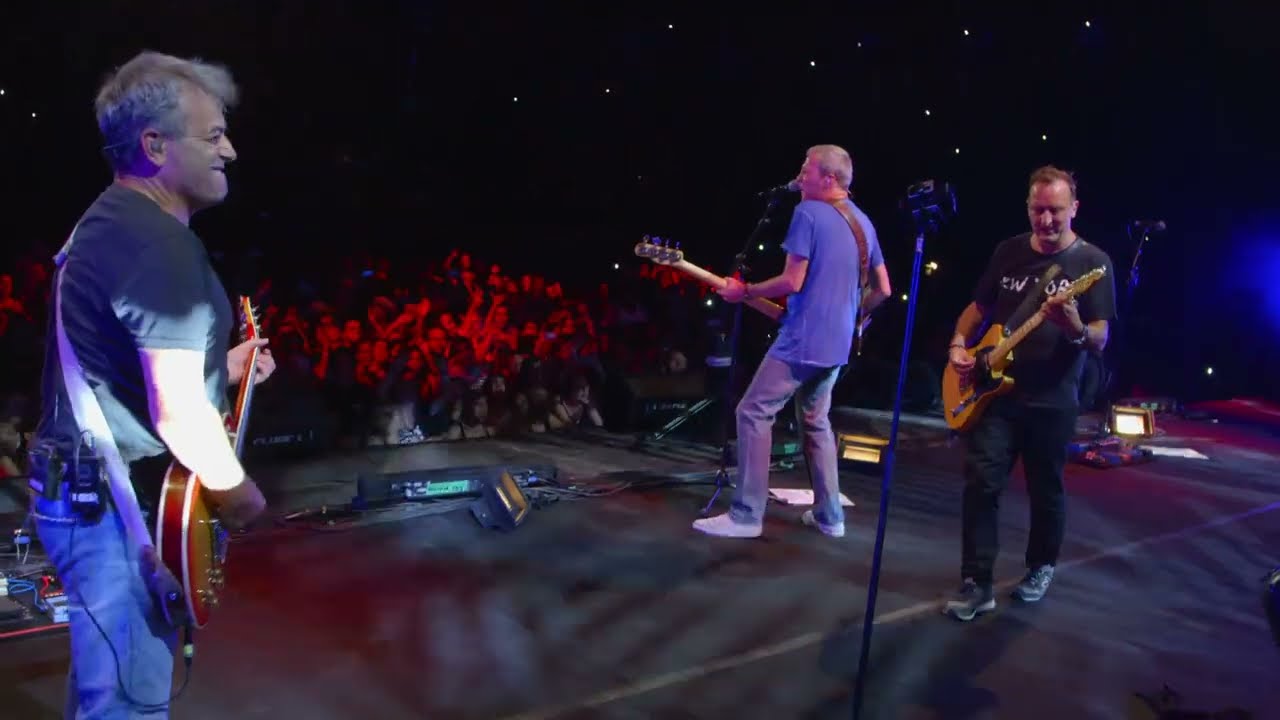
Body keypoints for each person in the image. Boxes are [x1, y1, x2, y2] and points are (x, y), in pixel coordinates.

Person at [27, 51, 273, 716]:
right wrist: (241, 498)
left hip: (85, 492)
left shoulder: (109, 221)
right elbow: (181, 417)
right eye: (213, 135)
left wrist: (223, 368)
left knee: (107, 692)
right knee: (127, 705)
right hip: (113, 506)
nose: (230, 150)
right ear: (155, 146)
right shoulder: (157, 246)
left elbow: (121, 367)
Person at [942, 165, 1116, 621]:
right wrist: (958, 343)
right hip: (995, 393)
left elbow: (1100, 336)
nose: (1046, 220)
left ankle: (1041, 566)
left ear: (1074, 208)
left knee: (1045, 489)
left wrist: (1075, 326)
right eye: (1038, 210)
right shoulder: (1009, 251)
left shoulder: (1092, 263)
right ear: (1027, 208)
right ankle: (977, 581)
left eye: (1055, 210)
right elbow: (978, 307)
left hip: (1053, 398)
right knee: (981, 483)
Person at [692, 144, 891, 538]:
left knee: (753, 412)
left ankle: (746, 515)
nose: (800, 174)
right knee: (816, 422)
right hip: (839, 345)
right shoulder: (863, 222)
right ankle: (830, 516)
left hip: (803, 340)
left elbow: (792, 281)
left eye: (807, 168)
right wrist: (850, 318)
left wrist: (746, 291)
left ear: (828, 179)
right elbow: (883, 289)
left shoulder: (808, 213)